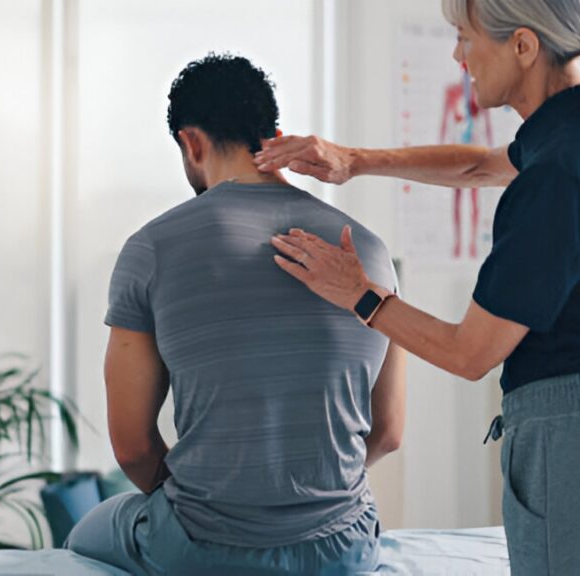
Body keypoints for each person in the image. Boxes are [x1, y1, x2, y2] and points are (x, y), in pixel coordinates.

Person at [258, 0, 580, 574]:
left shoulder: (556, 176)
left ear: (523, 46)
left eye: (465, 38)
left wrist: (359, 294)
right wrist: (354, 161)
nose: (457, 56)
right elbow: (480, 168)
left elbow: (470, 353)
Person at [67, 53, 406, 575]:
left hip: (201, 551)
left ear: (191, 142)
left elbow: (133, 447)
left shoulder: (152, 248)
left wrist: (217, 512)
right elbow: (387, 433)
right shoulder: (370, 250)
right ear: (274, 135)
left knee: (83, 531)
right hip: (344, 551)